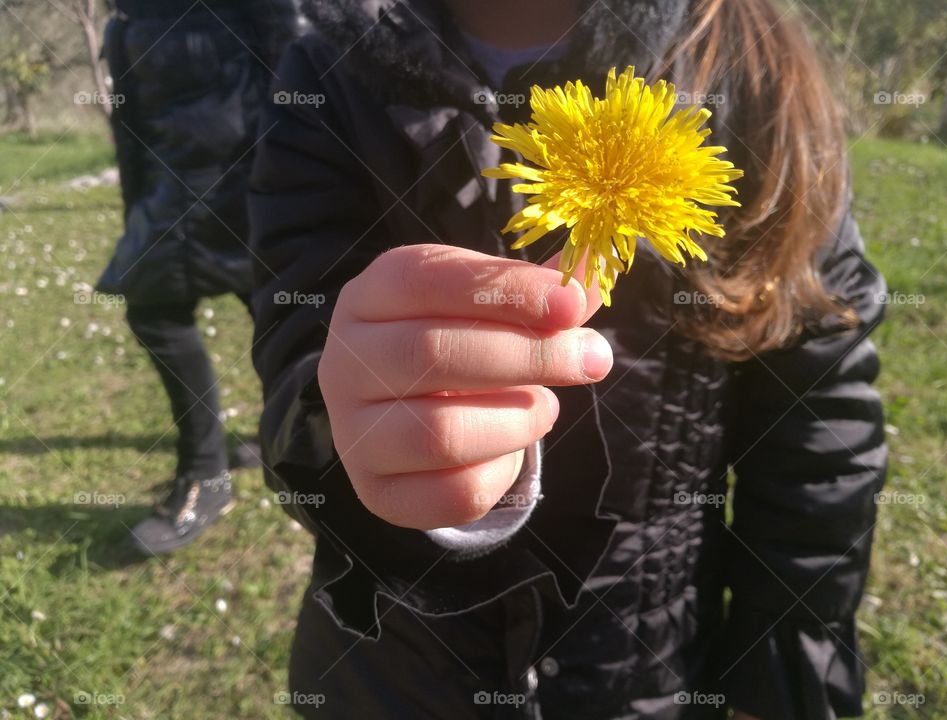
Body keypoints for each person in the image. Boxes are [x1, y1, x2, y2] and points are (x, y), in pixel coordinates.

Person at [249, 0, 888, 717]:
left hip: (651, 671)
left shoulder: (749, 63)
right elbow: (294, 360)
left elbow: (820, 430)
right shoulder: (329, 67)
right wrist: (348, 430)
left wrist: (783, 683)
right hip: (396, 671)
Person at [96, 0, 298, 554]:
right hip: (177, 167)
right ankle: (284, 435)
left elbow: (295, 57)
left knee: (159, 308)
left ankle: (212, 470)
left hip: (228, 169)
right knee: (266, 304)